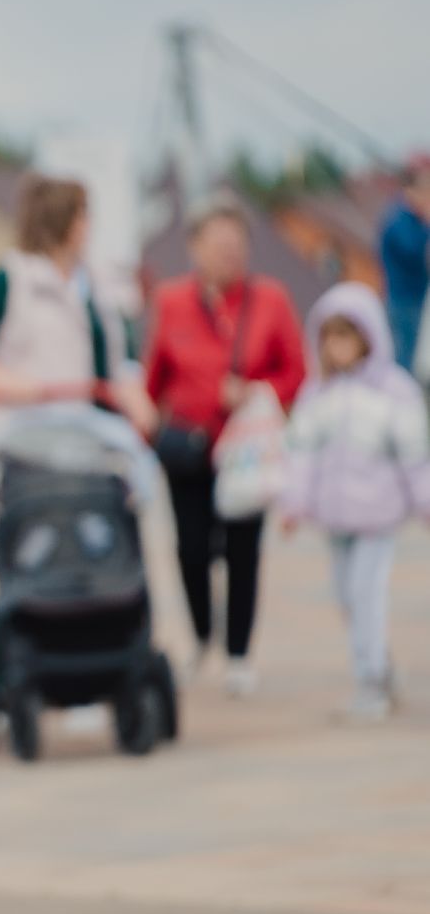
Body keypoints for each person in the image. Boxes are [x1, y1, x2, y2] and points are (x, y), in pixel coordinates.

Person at [144, 194, 306, 696]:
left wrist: (258, 392)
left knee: (243, 551)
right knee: (190, 549)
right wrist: (143, 432)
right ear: (195, 247)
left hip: (245, 450)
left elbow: (295, 371)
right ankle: (200, 635)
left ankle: (239, 654)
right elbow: (156, 376)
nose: (228, 255)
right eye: (218, 245)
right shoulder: (171, 300)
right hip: (189, 447)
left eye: (237, 245)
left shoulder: (270, 300)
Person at [278, 282, 430, 720]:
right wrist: (294, 502)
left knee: (368, 594)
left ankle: (370, 681)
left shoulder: (394, 392)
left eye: (346, 336)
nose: (336, 347)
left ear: (368, 338)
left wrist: (424, 502)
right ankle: (378, 663)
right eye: (329, 337)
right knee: (346, 595)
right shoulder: (318, 394)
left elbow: (414, 456)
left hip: (377, 515)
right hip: (336, 516)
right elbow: (302, 454)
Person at [0, 174, 156, 438]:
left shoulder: (100, 286)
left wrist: (134, 393)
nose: (89, 225)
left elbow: (122, 359)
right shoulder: (10, 279)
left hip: (91, 430)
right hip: (22, 430)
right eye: (82, 215)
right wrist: (13, 384)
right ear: (60, 221)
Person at [378, 154, 430, 371]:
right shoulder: (398, 220)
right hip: (402, 304)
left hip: (418, 301)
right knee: (404, 362)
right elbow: (416, 253)